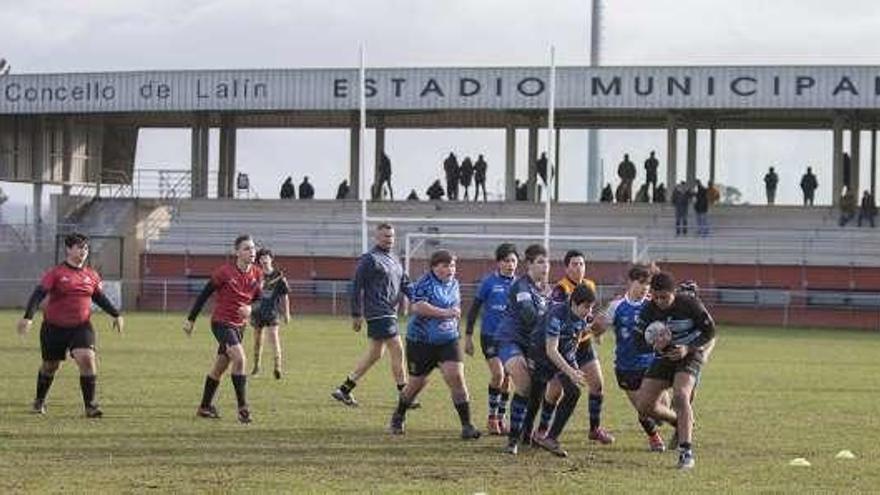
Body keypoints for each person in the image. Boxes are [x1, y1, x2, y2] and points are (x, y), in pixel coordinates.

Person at [17, 232, 123, 418]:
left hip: (81, 326)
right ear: (68, 249)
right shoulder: (56, 273)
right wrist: (28, 317)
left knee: (87, 359)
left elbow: (98, 297)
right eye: (80, 247)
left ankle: (90, 406)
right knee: (50, 365)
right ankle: (39, 401)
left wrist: (116, 314)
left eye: (86, 248)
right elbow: (39, 294)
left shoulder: (91, 275)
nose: (84, 251)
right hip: (54, 327)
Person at [389, 250, 480, 439]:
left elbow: (456, 308)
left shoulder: (454, 283)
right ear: (434, 267)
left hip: (448, 340)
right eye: (446, 265)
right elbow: (418, 307)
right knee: (416, 384)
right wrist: (446, 313)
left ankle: (467, 426)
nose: (450, 269)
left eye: (453, 265)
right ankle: (399, 415)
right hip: (421, 341)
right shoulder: (424, 283)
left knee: (456, 376)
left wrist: (454, 321)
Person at [635, 271, 717, 470]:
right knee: (644, 406)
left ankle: (686, 453)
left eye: (664, 297)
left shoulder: (689, 304)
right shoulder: (647, 310)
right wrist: (656, 346)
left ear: (674, 293)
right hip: (664, 357)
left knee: (681, 396)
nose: (660, 301)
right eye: (656, 297)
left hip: (689, 354)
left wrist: (687, 348)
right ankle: (679, 421)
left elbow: (710, 331)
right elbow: (638, 343)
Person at [535, 250, 614, 445]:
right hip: (562, 345)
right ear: (566, 267)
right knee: (556, 391)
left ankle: (594, 429)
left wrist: (597, 331)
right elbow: (563, 320)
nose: (579, 268)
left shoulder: (589, 285)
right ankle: (542, 430)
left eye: (582, 264)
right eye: (574, 264)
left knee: (597, 384)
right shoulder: (560, 290)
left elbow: (587, 317)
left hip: (583, 342)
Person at [184, 234, 262, 424]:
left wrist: (251, 308)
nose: (252, 252)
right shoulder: (224, 272)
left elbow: (260, 300)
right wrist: (191, 319)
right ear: (237, 252)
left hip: (239, 326)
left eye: (253, 248)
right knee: (240, 359)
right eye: (246, 248)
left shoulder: (257, 273)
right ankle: (243, 408)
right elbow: (204, 294)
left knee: (219, 368)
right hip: (221, 323)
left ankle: (204, 407)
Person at [332, 223, 412, 407]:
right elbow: (356, 286)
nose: (389, 240)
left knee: (375, 354)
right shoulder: (369, 259)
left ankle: (344, 389)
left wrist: (419, 298)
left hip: (390, 312)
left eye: (391, 236)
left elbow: (405, 283)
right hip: (378, 311)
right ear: (377, 238)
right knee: (397, 348)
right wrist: (356, 313)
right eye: (385, 236)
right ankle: (405, 395)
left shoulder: (394, 258)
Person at [591, 264, 666, 452]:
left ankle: (667, 422)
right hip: (627, 368)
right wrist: (597, 332)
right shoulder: (617, 306)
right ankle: (654, 437)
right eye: (641, 283)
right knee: (643, 409)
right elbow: (600, 326)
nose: (644, 288)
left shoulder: (653, 305)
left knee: (662, 408)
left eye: (647, 284)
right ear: (630, 282)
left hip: (651, 364)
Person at [527, 284, 595, 457]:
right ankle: (524, 434)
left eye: (591, 307)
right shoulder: (557, 315)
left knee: (573, 392)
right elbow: (551, 350)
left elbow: (573, 343)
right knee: (534, 397)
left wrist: (574, 369)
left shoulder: (582, 317)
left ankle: (550, 438)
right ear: (573, 303)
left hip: (560, 356)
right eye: (586, 307)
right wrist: (571, 372)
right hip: (540, 354)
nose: (589, 311)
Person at [497, 244, 550, 455]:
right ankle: (512, 440)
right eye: (540, 262)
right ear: (528, 264)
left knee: (537, 390)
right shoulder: (521, 287)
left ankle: (526, 433)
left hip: (533, 346)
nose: (545, 266)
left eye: (547, 262)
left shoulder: (544, 290)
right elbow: (529, 314)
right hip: (510, 340)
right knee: (523, 383)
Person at [465, 243, 519, 435]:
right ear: (498, 263)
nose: (510, 264)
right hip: (490, 337)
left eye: (513, 260)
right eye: (506, 261)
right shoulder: (488, 282)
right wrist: (468, 336)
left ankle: (501, 418)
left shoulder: (519, 284)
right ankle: (491, 417)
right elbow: (473, 309)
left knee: (508, 377)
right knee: (498, 374)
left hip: (511, 338)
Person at [250, 248, 291, 379]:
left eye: (266, 257)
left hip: (272, 312)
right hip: (257, 312)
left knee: (274, 338)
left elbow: (285, 296)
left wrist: (287, 313)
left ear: (271, 258)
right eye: (261, 257)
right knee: (257, 341)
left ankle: (277, 367)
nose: (264, 259)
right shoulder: (255, 274)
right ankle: (256, 367)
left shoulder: (279, 275)